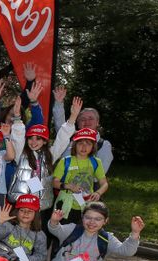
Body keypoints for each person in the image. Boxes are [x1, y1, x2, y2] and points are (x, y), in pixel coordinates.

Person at [8, 96, 81, 237]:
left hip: (41, 207)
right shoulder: (20, 154)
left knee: (36, 238)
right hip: (21, 206)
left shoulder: (50, 155)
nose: (34, 142)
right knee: (16, 237)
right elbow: (17, 137)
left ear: (45, 141)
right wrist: (17, 117)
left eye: (39, 138)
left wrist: (73, 117)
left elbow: (62, 139)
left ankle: (34, 259)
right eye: (31, 138)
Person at [52, 128, 109, 223]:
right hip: (66, 205)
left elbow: (104, 183)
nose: (84, 147)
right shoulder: (66, 161)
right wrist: (68, 186)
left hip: (86, 205)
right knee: (62, 232)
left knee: (82, 231)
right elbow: (54, 182)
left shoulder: (96, 162)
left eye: (88, 144)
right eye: (80, 143)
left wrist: (98, 193)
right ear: (75, 145)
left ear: (93, 146)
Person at [52, 87, 114, 172]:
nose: (86, 121)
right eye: (82, 119)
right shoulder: (69, 137)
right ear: (78, 123)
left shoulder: (103, 145)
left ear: (97, 122)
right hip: (59, 183)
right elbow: (61, 125)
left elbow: (99, 175)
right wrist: (58, 103)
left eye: (91, 118)